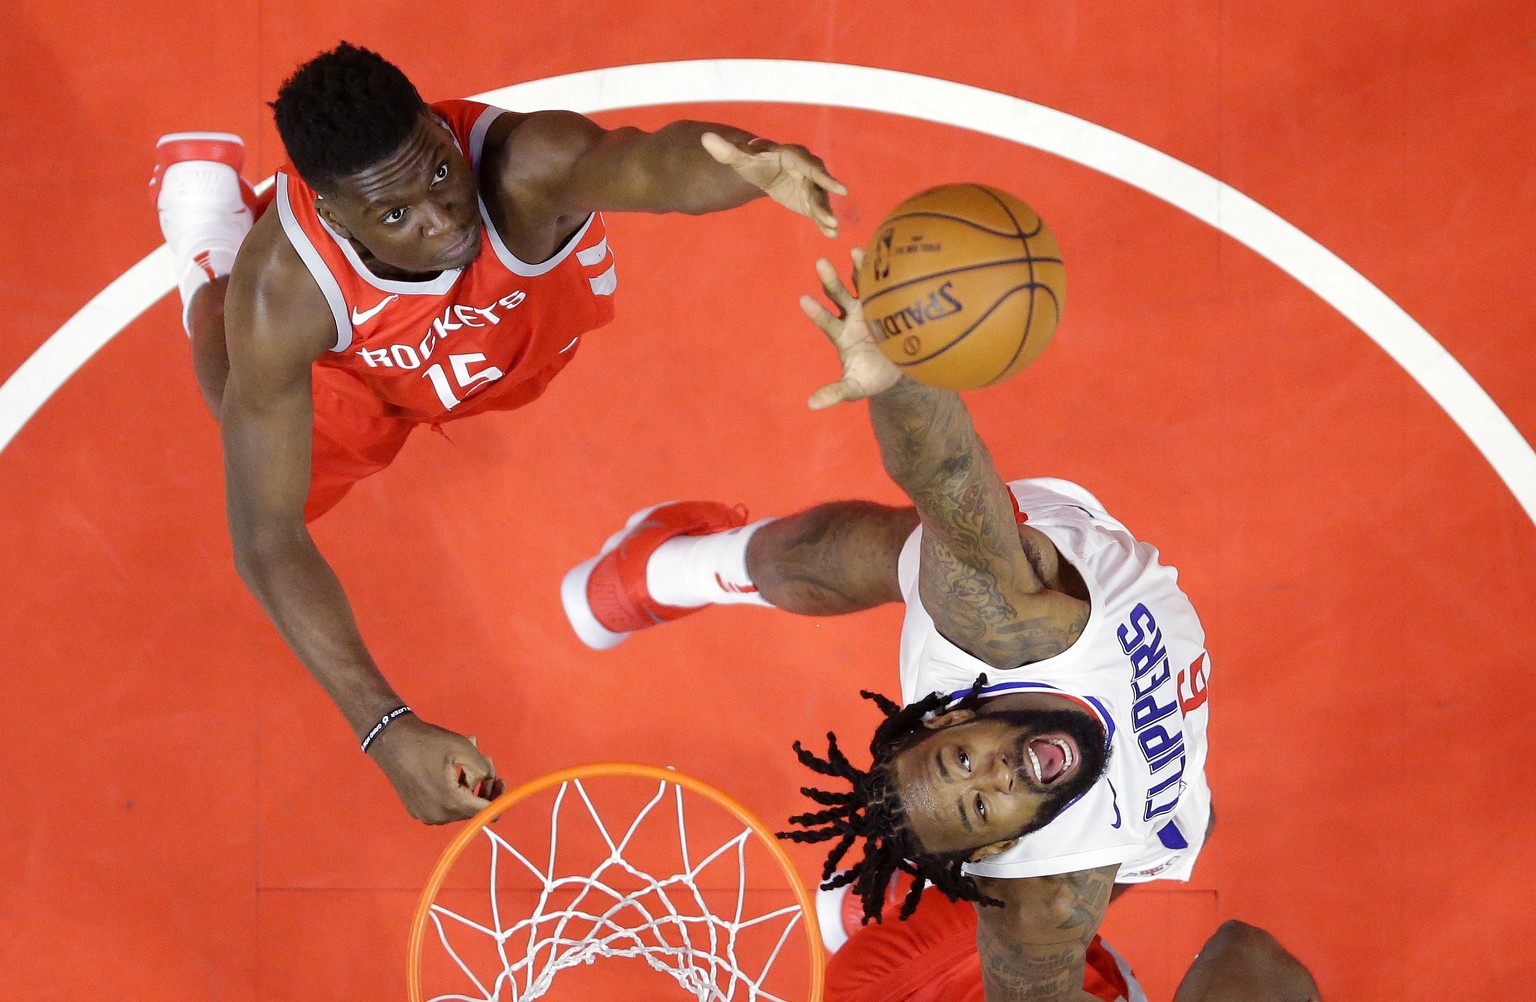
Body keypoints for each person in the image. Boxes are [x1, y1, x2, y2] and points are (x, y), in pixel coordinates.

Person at [150, 42, 845, 825]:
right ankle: (210, 243)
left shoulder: (522, 163)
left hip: (514, 347)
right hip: (373, 376)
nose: (443, 218)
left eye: (439, 173)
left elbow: (649, 164)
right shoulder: (287, 290)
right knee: (236, 398)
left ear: (438, 129)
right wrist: (385, 728)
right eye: (395, 214)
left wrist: (748, 167)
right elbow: (265, 537)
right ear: (330, 211)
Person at [562, 253, 1215, 1000]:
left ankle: (665, 568)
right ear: (1001, 845)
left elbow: (945, 473)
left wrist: (897, 375)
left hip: (1048, 567)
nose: (997, 773)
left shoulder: (999, 621)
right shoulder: (1050, 899)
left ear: (959, 713)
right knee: (1201, 841)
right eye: (979, 803)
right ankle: (912, 893)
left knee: (888, 547)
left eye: (961, 759)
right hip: (1158, 797)